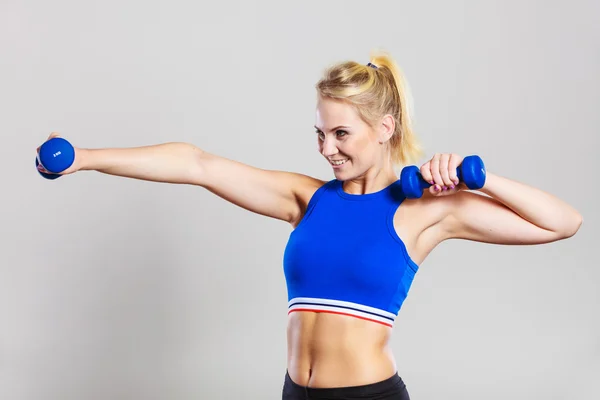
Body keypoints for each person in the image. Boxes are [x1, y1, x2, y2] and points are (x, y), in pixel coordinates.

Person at [36, 50, 583, 399]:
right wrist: (84, 156)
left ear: (385, 128)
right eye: (320, 134)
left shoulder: (426, 213)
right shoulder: (308, 198)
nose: (328, 149)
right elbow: (196, 164)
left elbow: (563, 223)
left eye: (341, 134)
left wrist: (479, 179)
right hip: (294, 393)